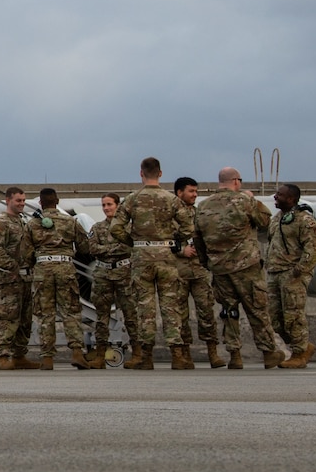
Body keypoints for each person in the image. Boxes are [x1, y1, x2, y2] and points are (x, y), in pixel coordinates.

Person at [195, 167, 280, 369]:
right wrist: (253, 199)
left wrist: (207, 262)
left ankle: (235, 355)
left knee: (229, 312)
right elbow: (265, 221)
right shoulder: (244, 201)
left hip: (220, 268)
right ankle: (268, 353)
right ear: (235, 181)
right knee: (257, 310)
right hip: (246, 267)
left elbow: (197, 238)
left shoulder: (203, 206)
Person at [119, 157, 193, 369]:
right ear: (160, 173)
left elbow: (116, 228)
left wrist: (134, 242)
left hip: (142, 256)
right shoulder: (171, 200)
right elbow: (188, 227)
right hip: (166, 257)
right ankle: (178, 356)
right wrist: (173, 242)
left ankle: (146, 357)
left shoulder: (132, 200)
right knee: (171, 306)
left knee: (145, 308)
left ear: (141, 173)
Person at [27, 187, 91, 367]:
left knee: (45, 314)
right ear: (57, 201)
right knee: (70, 311)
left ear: (40, 203)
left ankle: (47, 358)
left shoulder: (32, 224)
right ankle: (77, 353)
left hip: (42, 270)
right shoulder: (70, 221)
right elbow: (85, 248)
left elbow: (25, 252)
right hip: (65, 268)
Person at [269, 183, 316, 368]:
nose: (276, 197)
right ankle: (304, 346)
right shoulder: (277, 219)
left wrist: (298, 272)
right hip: (274, 273)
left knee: (293, 316)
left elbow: (313, 250)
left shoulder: (305, 221)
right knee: (273, 318)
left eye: (280, 195)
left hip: (292, 275)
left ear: (291, 199)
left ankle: (299, 355)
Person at [0, 186, 38, 369]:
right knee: (8, 318)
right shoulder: (2, 223)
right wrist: (13, 266)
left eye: (24, 201)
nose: (22, 204)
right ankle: (2, 355)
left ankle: (19, 355)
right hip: (10, 279)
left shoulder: (23, 221)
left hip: (26, 279)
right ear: (8, 200)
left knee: (25, 319)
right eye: (18, 201)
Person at [174, 177, 222, 366]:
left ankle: (213, 352)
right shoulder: (169, 215)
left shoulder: (199, 213)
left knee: (206, 310)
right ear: (179, 192)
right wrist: (180, 250)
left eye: (196, 191)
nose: (195, 195)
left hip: (200, 270)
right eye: (191, 191)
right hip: (179, 272)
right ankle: (184, 353)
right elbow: (162, 239)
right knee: (180, 315)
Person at [87, 194, 131, 368]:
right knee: (102, 317)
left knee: (131, 314)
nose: (106, 208)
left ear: (118, 205)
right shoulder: (97, 227)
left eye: (109, 204)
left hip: (124, 273)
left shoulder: (127, 228)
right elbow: (92, 248)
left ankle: (139, 353)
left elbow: (127, 247)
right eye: (104, 205)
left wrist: (106, 250)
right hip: (102, 274)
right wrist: (114, 249)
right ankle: (100, 355)